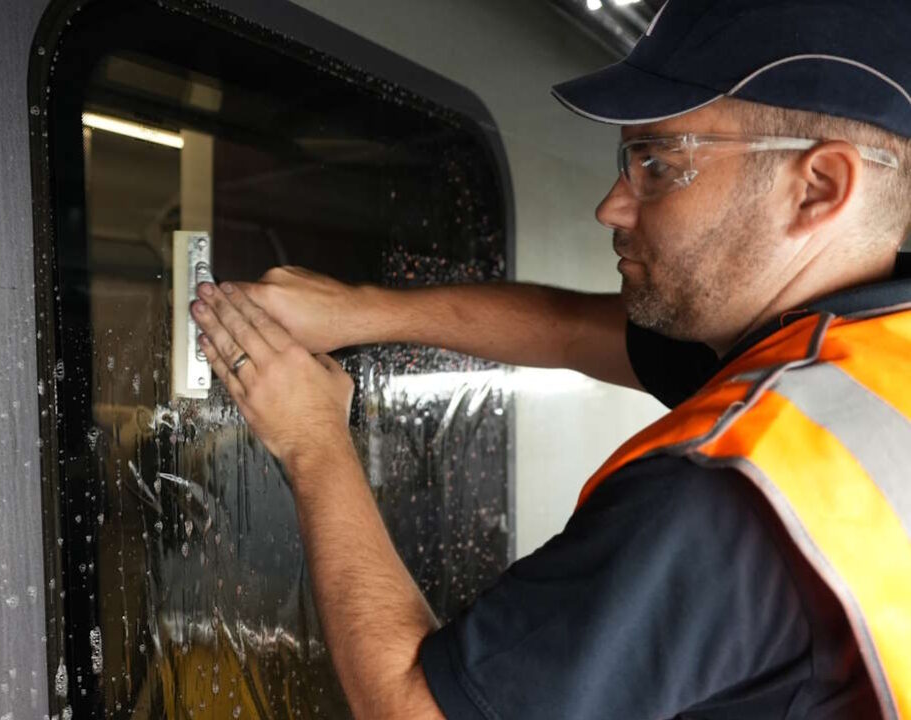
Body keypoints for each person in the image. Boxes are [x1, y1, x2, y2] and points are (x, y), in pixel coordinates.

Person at [189, 0, 911, 717]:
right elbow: (574, 331)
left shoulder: (724, 491)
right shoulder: (871, 352)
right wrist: (364, 312)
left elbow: (419, 711)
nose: (612, 205)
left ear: (817, 189)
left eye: (657, 163)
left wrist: (313, 439)